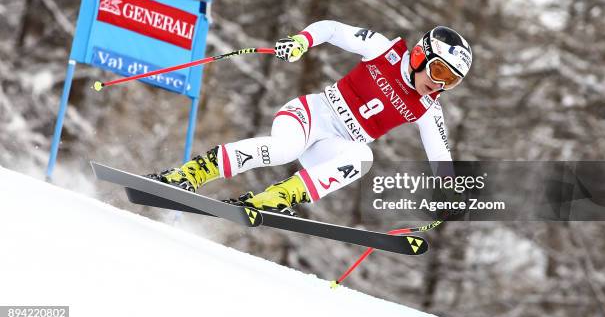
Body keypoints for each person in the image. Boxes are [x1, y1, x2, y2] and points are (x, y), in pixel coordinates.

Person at [152, 20, 472, 214]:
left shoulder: (428, 108)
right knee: (283, 150)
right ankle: (191, 173)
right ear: (420, 55)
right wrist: (302, 41)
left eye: (451, 80)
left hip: (332, 146)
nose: (439, 83)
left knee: (362, 157)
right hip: (310, 116)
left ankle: (279, 197)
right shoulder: (382, 49)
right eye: (439, 70)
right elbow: (332, 29)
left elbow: (440, 154)